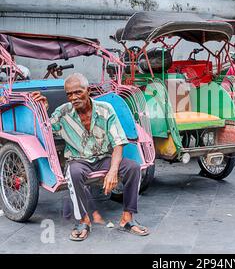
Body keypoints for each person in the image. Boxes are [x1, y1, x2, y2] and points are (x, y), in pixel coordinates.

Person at [31, 73, 149, 241]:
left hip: (104, 158)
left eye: (78, 92)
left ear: (88, 90)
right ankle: (83, 221)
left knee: (133, 168)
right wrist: (43, 108)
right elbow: (46, 130)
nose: (73, 98)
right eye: (69, 94)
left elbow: (118, 142)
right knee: (74, 173)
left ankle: (127, 219)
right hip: (78, 160)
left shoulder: (105, 109)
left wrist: (113, 171)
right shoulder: (62, 112)